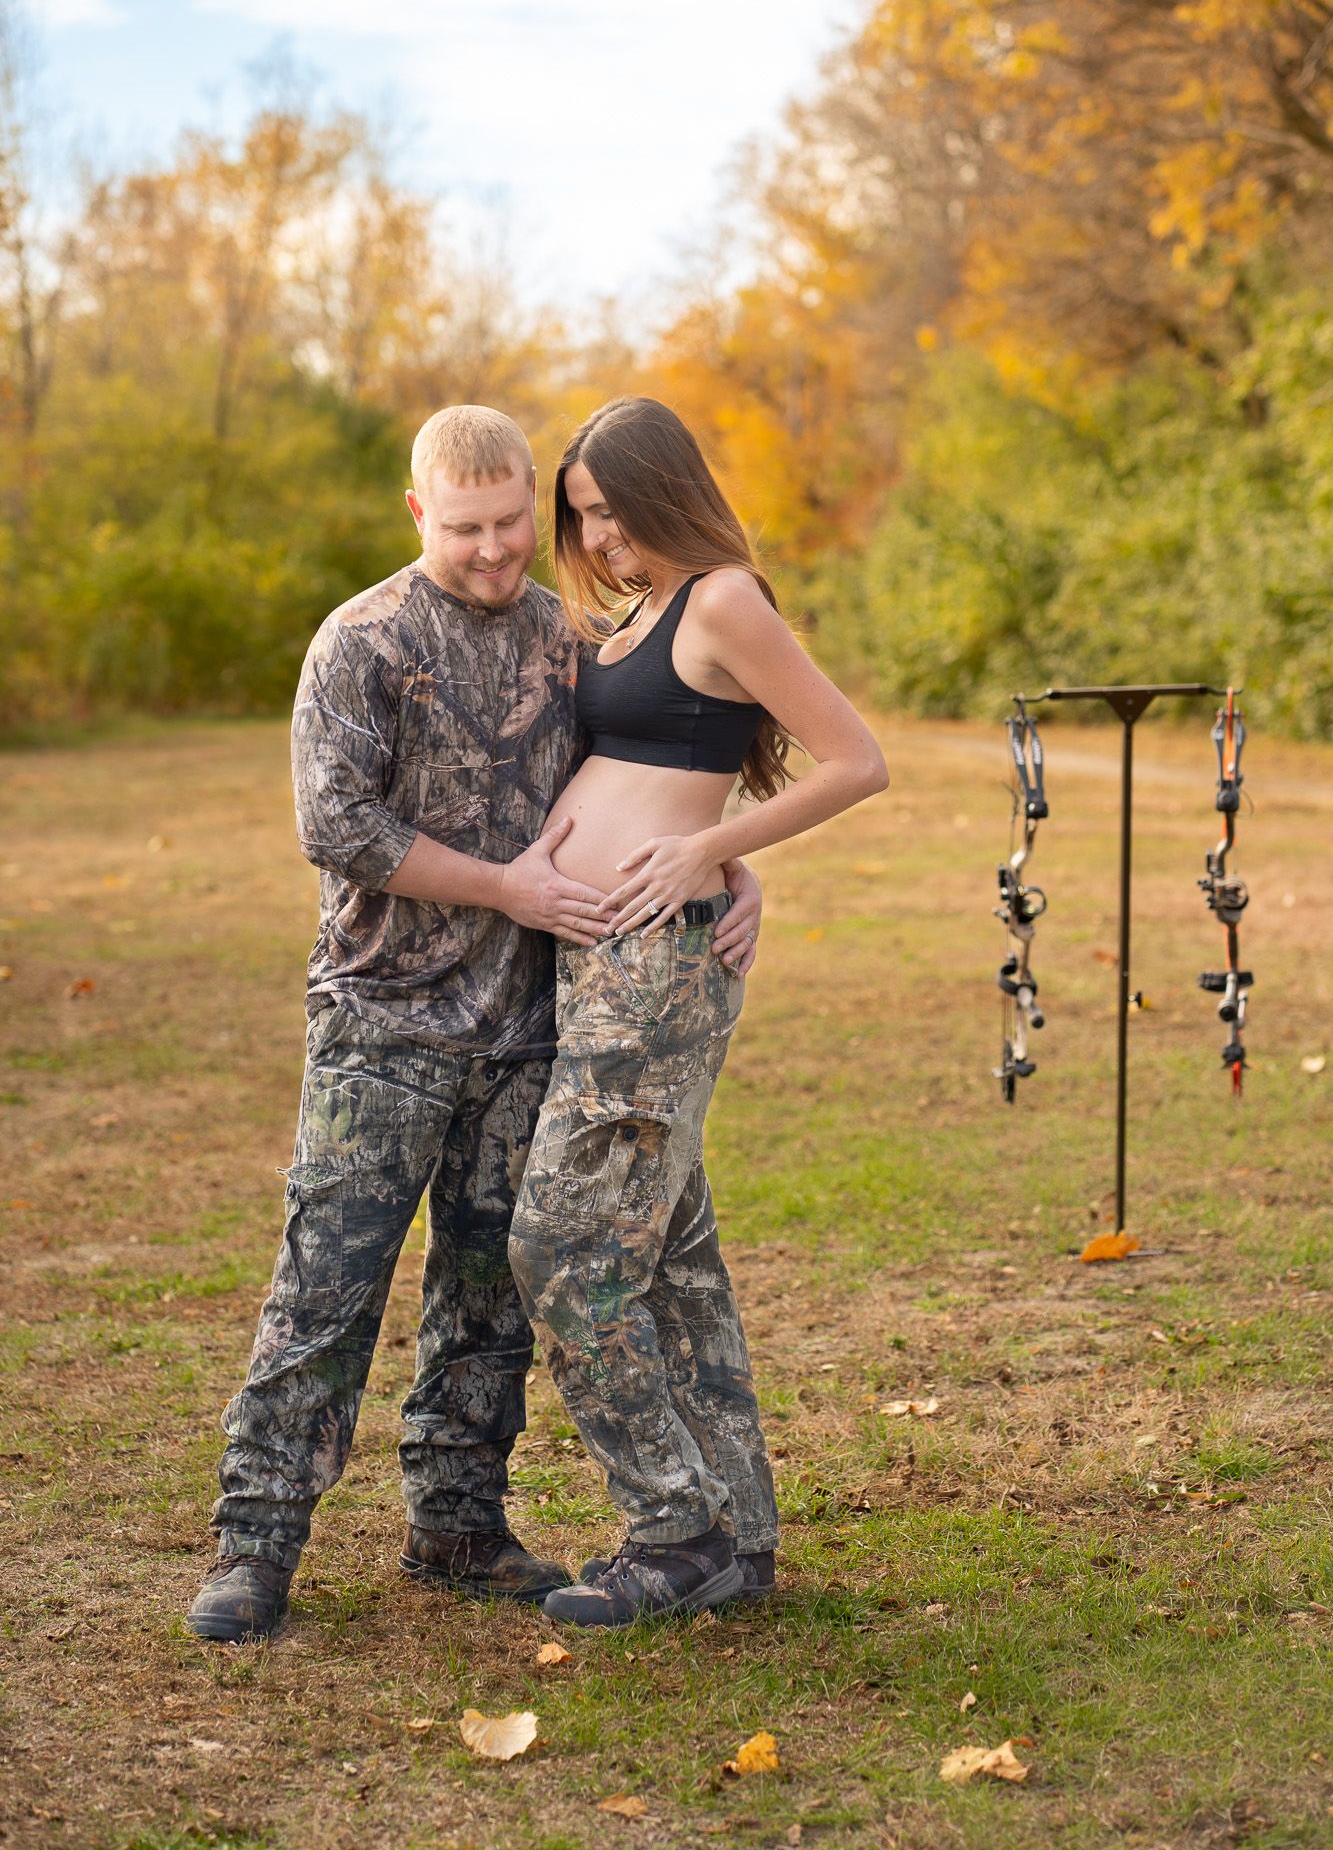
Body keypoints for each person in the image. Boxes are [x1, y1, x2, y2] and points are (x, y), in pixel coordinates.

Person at [185, 405, 763, 1643]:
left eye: (511, 522)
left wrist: (725, 863)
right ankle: (256, 1541)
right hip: (382, 1021)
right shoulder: (362, 640)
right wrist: (505, 887)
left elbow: (655, 759)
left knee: (487, 1295)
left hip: (528, 1022)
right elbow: (337, 825)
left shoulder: (567, 634)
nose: (496, 548)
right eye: (466, 528)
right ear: (418, 513)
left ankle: (457, 1521)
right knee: (326, 1288)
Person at [508, 395, 889, 1627]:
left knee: (561, 1250)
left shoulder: (722, 599)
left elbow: (857, 759)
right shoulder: (637, 613)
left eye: (616, 511)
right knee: (670, 1255)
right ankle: (741, 1534)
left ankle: (674, 1531)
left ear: (666, 491)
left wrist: (710, 851)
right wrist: (713, 851)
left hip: (656, 965)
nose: (602, 539)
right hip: (603, 958)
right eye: (584, 518)